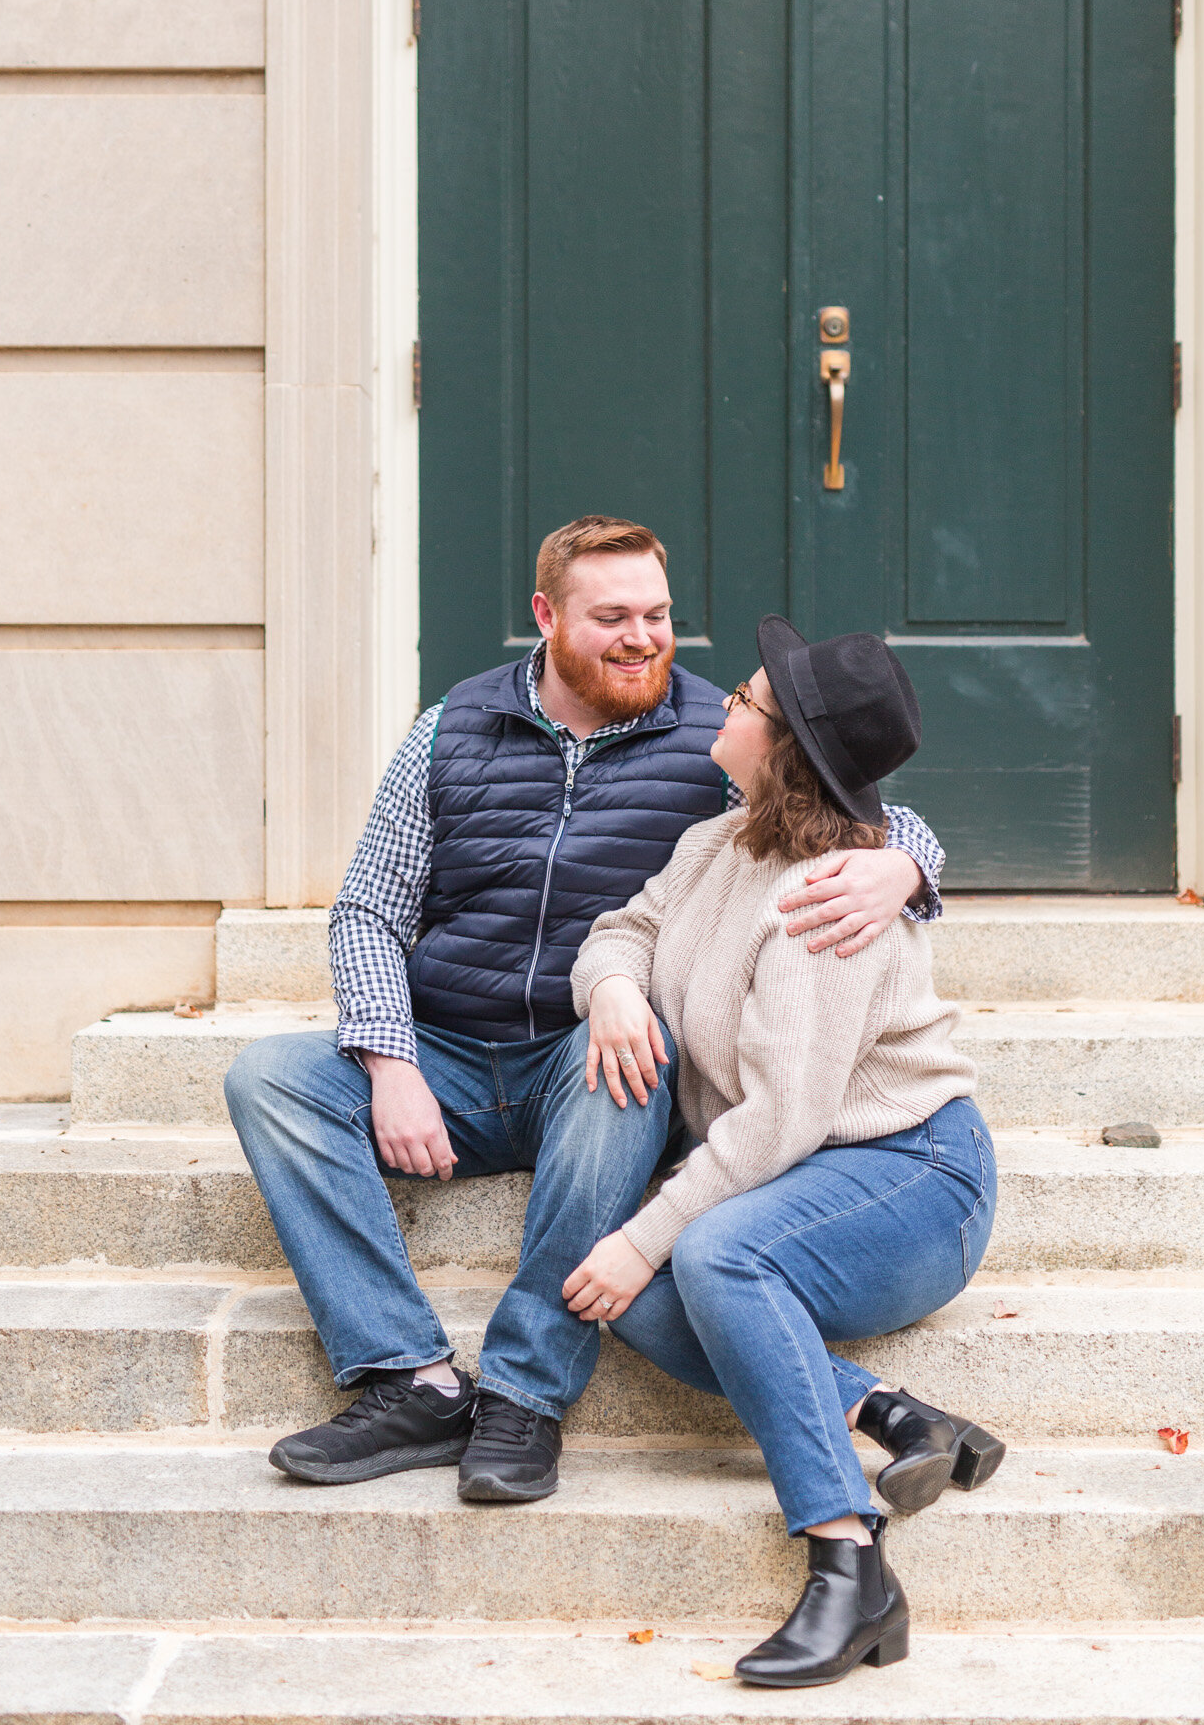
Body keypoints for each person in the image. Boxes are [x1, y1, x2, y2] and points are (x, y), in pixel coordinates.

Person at [224, 518, 947, 1504]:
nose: (643, 637)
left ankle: (523, 1395)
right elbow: (367, 909)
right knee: (269, 1077)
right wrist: (390, 1062)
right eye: (612, 616)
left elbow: (850, 797)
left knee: (631, 1077)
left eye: (657, 614)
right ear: (547, 616)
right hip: (445, 1050)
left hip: (587, 1057)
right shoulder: (452, 728)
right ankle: (409, 1377)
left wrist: (905, 859)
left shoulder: (715, 734)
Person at [561, 618, 1002, 1689]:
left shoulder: (828, 903)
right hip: (794, 1171)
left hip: (912, 1174)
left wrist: (646, 1232)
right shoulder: (715, 844)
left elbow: (776, 1122)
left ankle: (849, 1559)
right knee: (621, 1289)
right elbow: (623, 926)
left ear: (790, 745)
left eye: (749, 699)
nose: (726, 702)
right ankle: (887, 1412)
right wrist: (614, 983)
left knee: (708, 1258)